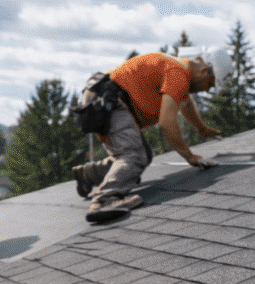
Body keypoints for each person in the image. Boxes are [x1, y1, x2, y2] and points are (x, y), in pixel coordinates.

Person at [73, 49, 231, 223]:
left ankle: (88, 174)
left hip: (102, 97)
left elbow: (185, 103)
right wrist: (190, 156)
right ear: (204, 71)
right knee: (133, 155)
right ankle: (105, 200)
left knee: (142, 155)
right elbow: (166, 123)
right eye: (210, 84)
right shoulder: (177, 73)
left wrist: (201, 128)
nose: (206, 90)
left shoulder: (179, 71)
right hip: (108, 100)